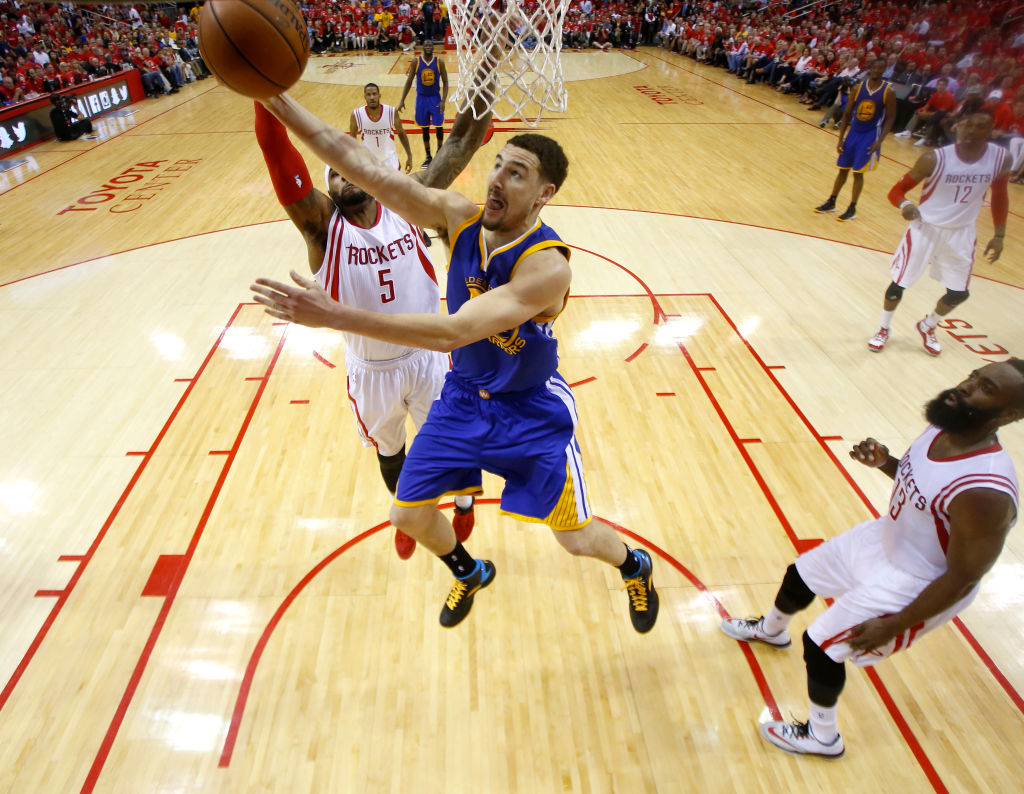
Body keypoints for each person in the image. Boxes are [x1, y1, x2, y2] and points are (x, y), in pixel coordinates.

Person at [251, 94, 660, 634]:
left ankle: (634, 566)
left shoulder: (547, 268)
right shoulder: (456, 217)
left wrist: (334, 316)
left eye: (516, 174)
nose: (496, 180)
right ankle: (468, 570)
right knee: (407, 513)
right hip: (464, 398)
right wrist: (275, 99)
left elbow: (453, 332)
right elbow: (359, 163)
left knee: (575, 538)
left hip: (529, 410)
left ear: (545, 194)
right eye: (497, 165)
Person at [721, 360, 1023, 759]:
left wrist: (896, 624)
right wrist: (886, 463)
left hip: (919, 579)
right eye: (972, 374)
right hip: (888, 537)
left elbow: (964, 576)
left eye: (985, 388)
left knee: (823, 646)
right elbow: (925, 488)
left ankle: (822, 737)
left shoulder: (986, 491)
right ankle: (771, 630)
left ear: (1009, 414)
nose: (965, 387)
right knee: (800, 573)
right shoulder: (944, 424)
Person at [254, 92, 489, 560]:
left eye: (351, 169)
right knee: (391, 451)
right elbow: (281, 165)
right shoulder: (323, 227)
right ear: (329, 188)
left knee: (454, 440)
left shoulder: (409, 201)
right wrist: (264, 95)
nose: (345, 178)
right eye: (334, 174)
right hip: (373, 371)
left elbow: (461, 142)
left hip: (429, 356)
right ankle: (408, 513)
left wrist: (485, 74)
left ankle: (463, 502)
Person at [867, 109, 1009, 356]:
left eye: (979, 128)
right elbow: (895, 192)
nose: (972, 132)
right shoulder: (934, 159)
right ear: (960, 127)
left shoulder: (1000, 159)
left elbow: (1000, 195)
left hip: (962, 233)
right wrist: (905, 205)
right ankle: (883, 327)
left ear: (990, 131)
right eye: (968, 126)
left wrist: (999, 235)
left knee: (959, 293)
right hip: (926, 228)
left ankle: (928, 325)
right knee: (898, 285)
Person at [813, 57, 896, 222]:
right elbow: (847, 114)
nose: (877, 71)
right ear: (870, 68)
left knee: (858, 173)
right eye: (874, 67)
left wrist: (879, 142)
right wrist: (840, 138)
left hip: (870, 135)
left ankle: (852, 207)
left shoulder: (888, 91)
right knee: (842, 169)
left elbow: (891, 118)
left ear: (884, 70)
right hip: (854, 133)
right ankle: (832, 201)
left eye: (881, 68)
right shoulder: (858, 88)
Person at [398, 40, 448, 168]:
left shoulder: (439, 62)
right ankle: (428, 156)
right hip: (421, 99)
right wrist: (402, 99)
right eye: (426, 45)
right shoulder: (416, 62)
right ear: (423, 47)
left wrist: (443, 100)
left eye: (430, 45)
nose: (428, 47)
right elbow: (409, 81)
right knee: (425, 128)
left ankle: (439, 153)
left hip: (435, 98)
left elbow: (446, 82)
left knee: (439, 127)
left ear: (433, 48)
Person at [348, 82, 413, 174]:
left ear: (379, 95)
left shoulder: (391, 112)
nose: (372, 97)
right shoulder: (357, 114)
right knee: (369, 189)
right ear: (364, 97)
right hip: (369, 162)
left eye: (374, 94)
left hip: (390, 160)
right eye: (369, 95)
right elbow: (352, 139)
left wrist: (409, 156)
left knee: (396, 188)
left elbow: (401, 133)